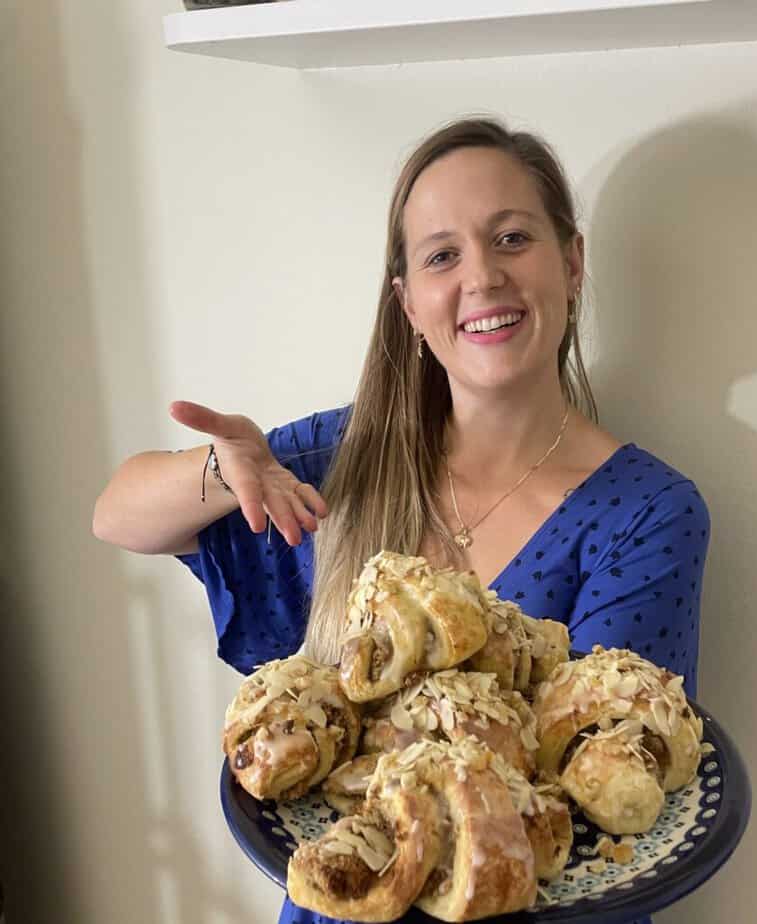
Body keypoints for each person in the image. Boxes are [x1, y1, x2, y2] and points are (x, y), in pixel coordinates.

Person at [93, 116, 710, 924]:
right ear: (409, 303)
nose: (482, 278)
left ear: (572, 263)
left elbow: (605, 805)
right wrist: (221, 471)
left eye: (513, 238)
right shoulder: (346, 458)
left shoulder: (646, 512)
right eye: (442, 256)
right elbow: (120, 516)